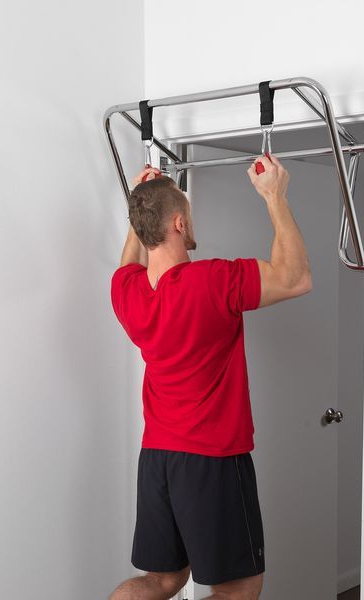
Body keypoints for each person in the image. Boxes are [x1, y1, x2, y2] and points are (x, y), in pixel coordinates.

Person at [108, 154, 312, 600]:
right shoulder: (212, 280)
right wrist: (274, 196)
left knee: (162, 581)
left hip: (157, 458)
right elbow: (295, 278)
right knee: (239, 589)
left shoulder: (126, 292)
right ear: (179, 223)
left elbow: (129, 262)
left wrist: (142, 204)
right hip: (211, 457)